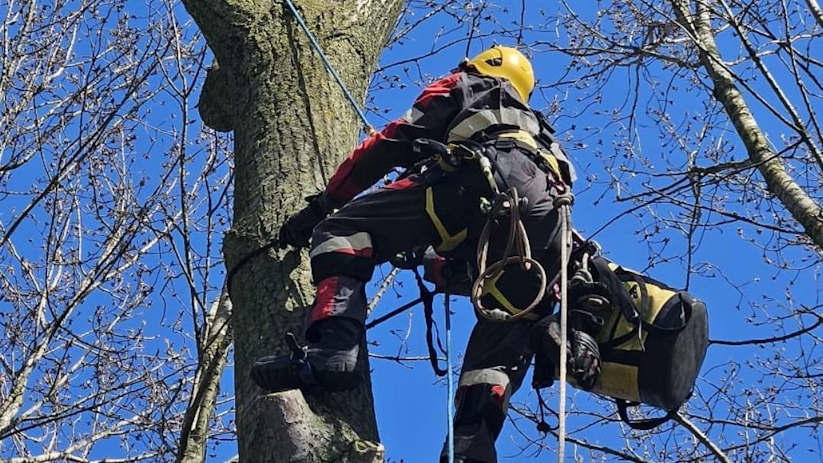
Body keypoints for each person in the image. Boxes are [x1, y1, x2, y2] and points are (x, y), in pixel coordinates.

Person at [250, 45, 601, 463]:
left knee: (341, 231)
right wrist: (421, 254)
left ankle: (331, 352)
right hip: (546, 227)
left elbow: (395, 138)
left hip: (480, 183)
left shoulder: (469, 84)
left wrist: (323, 204)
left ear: (486, 66)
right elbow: (457, 269)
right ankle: (470, 449)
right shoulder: (539, 133)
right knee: (507, 315)